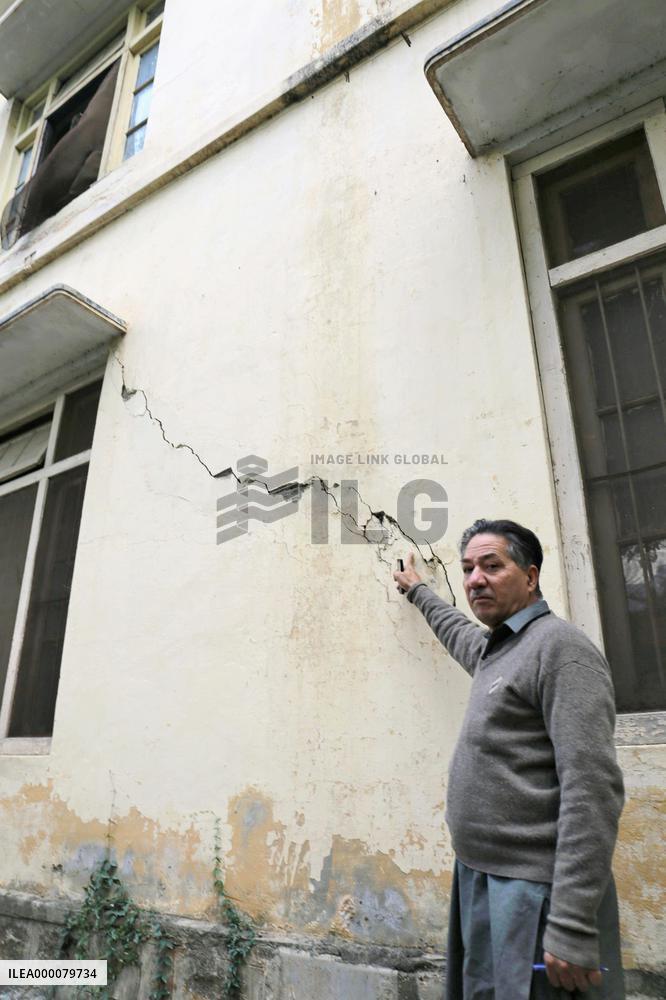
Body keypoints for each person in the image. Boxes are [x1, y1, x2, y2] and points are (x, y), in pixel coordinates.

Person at [393, 519, 625, 1000]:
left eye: (492, 565)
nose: (475, 578)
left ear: (531, 576)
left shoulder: (559, 649)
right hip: (480, 880)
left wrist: (572, 923)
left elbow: (592, 789)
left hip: (535, 894)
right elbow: (457, 629)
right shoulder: (498, 651)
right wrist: (418, 591)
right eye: (468, 568)